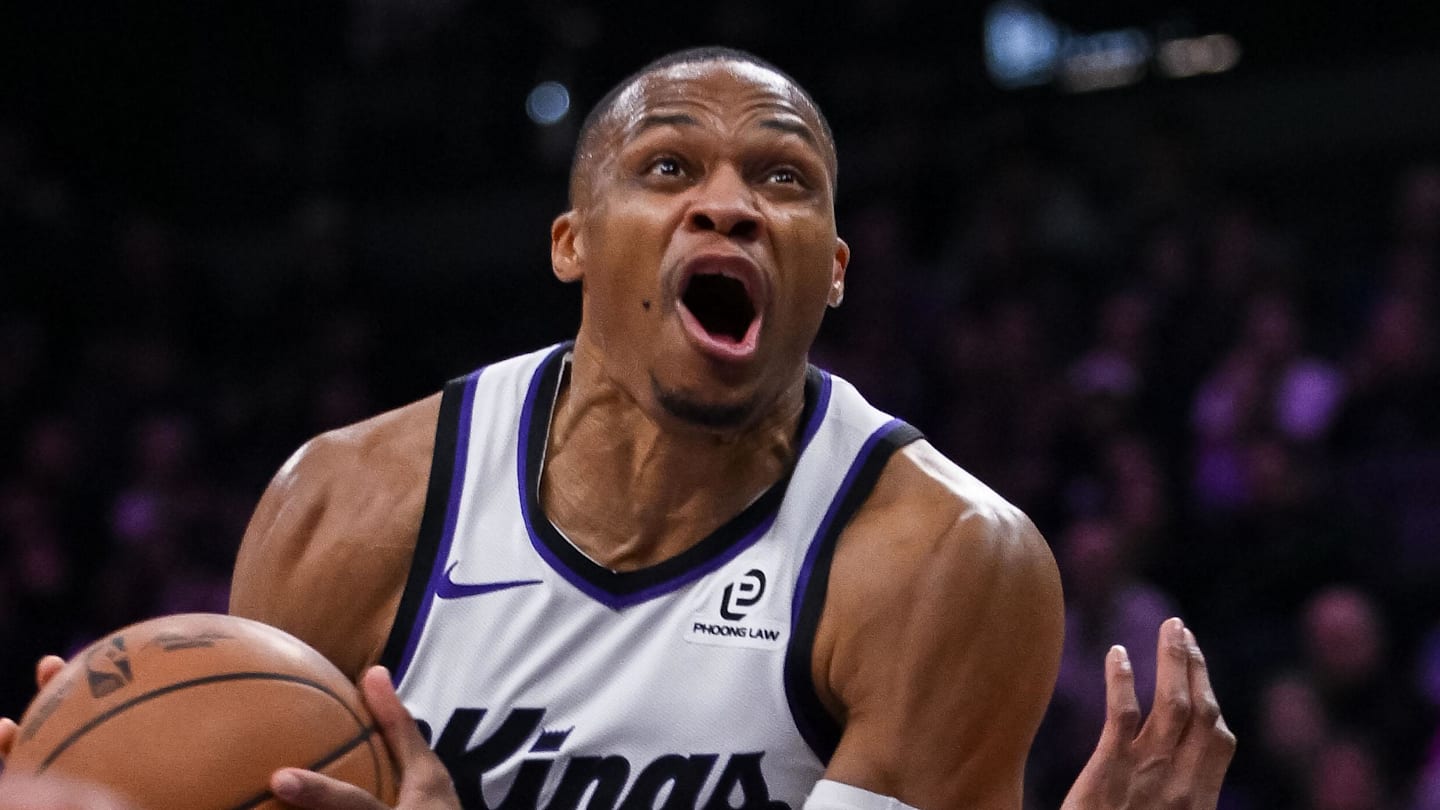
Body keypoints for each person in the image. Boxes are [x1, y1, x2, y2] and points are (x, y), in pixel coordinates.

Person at [0, 47, 1234, 810]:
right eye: (667, 168)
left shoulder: (945, 561)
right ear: (571, 244)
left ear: (837, 271)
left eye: (783, 180)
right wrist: (105, 782)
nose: (732, 207)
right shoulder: (350, 503)